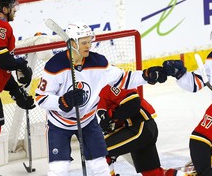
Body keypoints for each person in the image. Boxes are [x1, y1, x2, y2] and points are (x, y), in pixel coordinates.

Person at [35, 21, 167, 176]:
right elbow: (41, 98)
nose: (88, 46)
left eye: (89, 42)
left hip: (87, 121)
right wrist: (63, 101)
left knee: (99, 166)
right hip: (59, 124)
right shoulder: (54, 66)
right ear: (72, 43)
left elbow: (123, 79)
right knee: (59, 169)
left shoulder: (98, 62)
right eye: (84, 42)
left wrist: (146, 76)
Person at [0, 0, 35, 176]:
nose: (15, 9)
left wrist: (16, 92)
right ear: (5, 8)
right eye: (13, 6)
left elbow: (0, 68)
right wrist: (21, 64)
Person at [97, 85, 177, 176]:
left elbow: (133, 104)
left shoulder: (110, 83)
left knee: (98, 150)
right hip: (141, 129)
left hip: (140, 127)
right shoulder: (94, 93)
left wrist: (111, 117)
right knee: (154, 174)